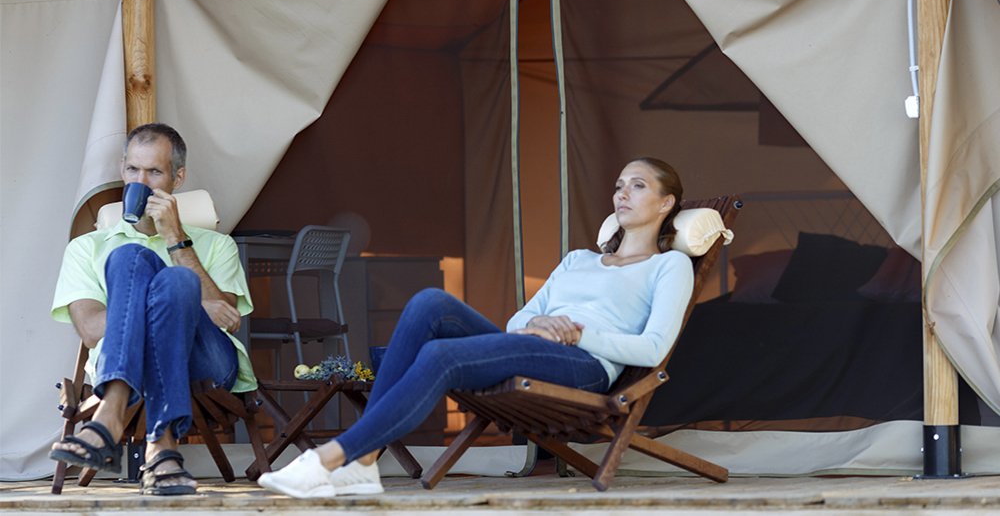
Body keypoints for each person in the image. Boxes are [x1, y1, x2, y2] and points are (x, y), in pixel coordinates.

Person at [258, 157, 694, 498]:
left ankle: (330, 458)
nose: (622, 193)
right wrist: (538, 321)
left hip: (585, 365)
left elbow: (654, 348)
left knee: (439, 355)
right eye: (619, 185)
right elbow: (517, 321)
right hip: (532, 345)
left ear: (666, 203)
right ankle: (365, 460)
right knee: (431, 302)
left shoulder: (669, 266)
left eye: (638, 185)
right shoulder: (578, 259)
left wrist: (581, 334)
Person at [49, 123, 255, 496]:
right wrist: (186, 302)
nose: (140, 182)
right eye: (133, 170)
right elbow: (92, 331)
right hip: (127, 363)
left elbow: (227, 318)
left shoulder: (217, 244)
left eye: (154, 172)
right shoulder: (86, 248)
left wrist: (177, 239)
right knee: (142, 265)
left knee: (178, 280)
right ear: (122, 169)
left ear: (178, 178)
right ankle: (162, 448)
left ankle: (108, 417)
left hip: (206, 365)